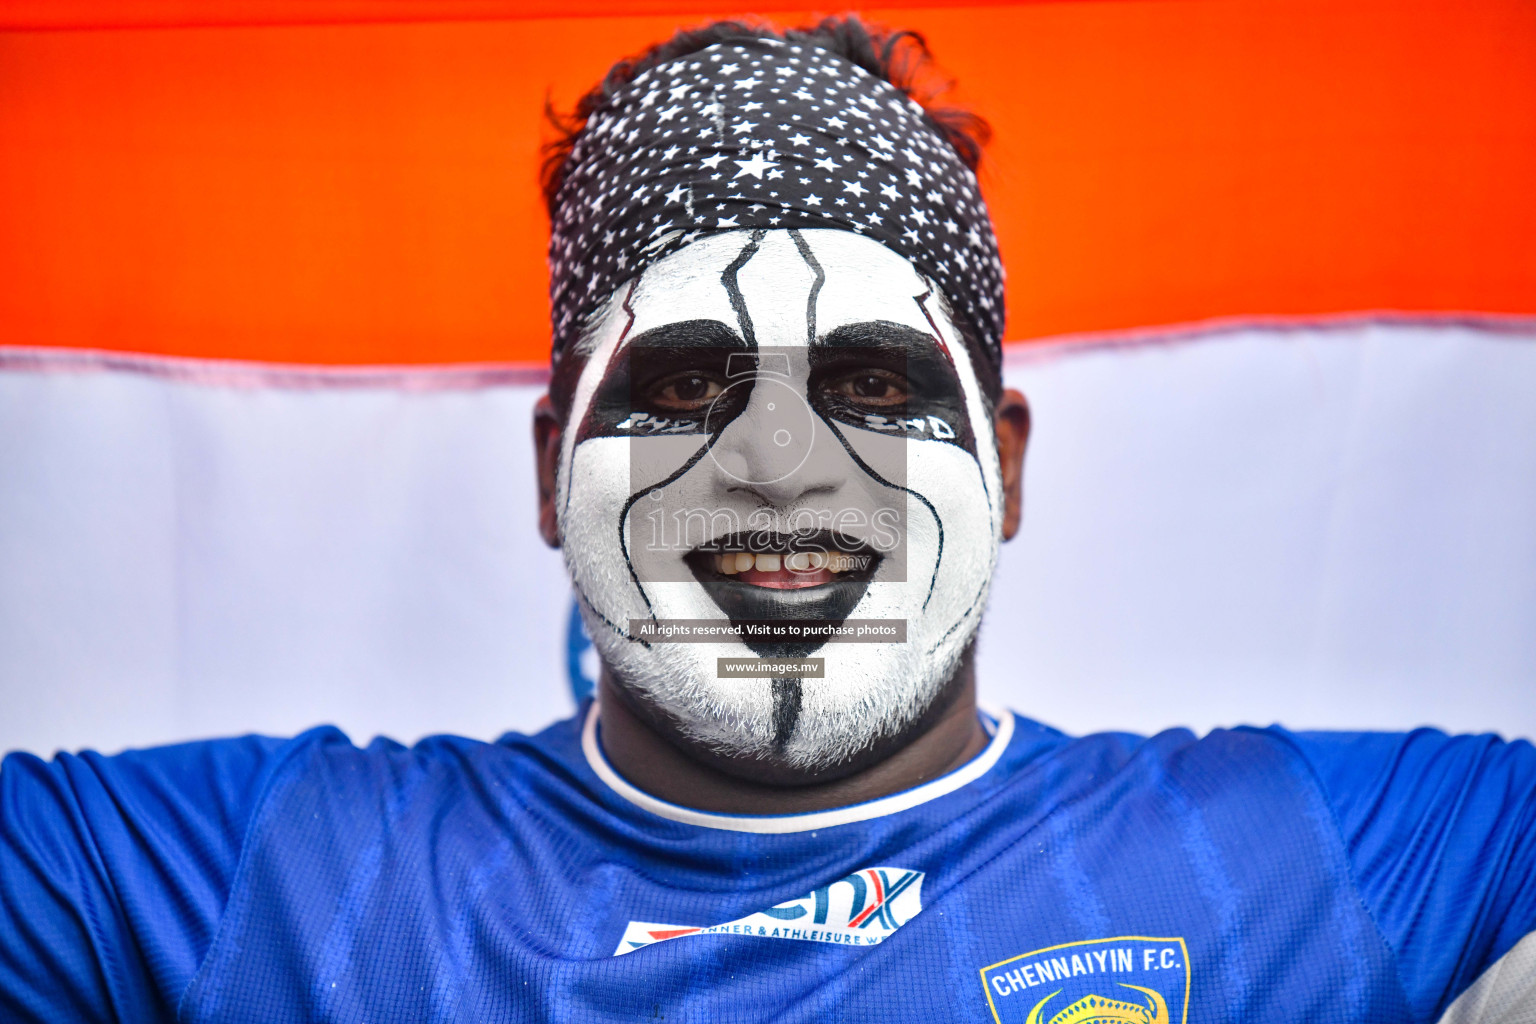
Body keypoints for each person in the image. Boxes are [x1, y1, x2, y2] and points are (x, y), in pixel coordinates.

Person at [1, 17, 1532, 1024]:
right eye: (681, 384)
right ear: (550, 472)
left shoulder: (1349, 853)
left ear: (1002, 460)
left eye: (872, 379)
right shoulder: (238, 878)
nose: (783, 466)